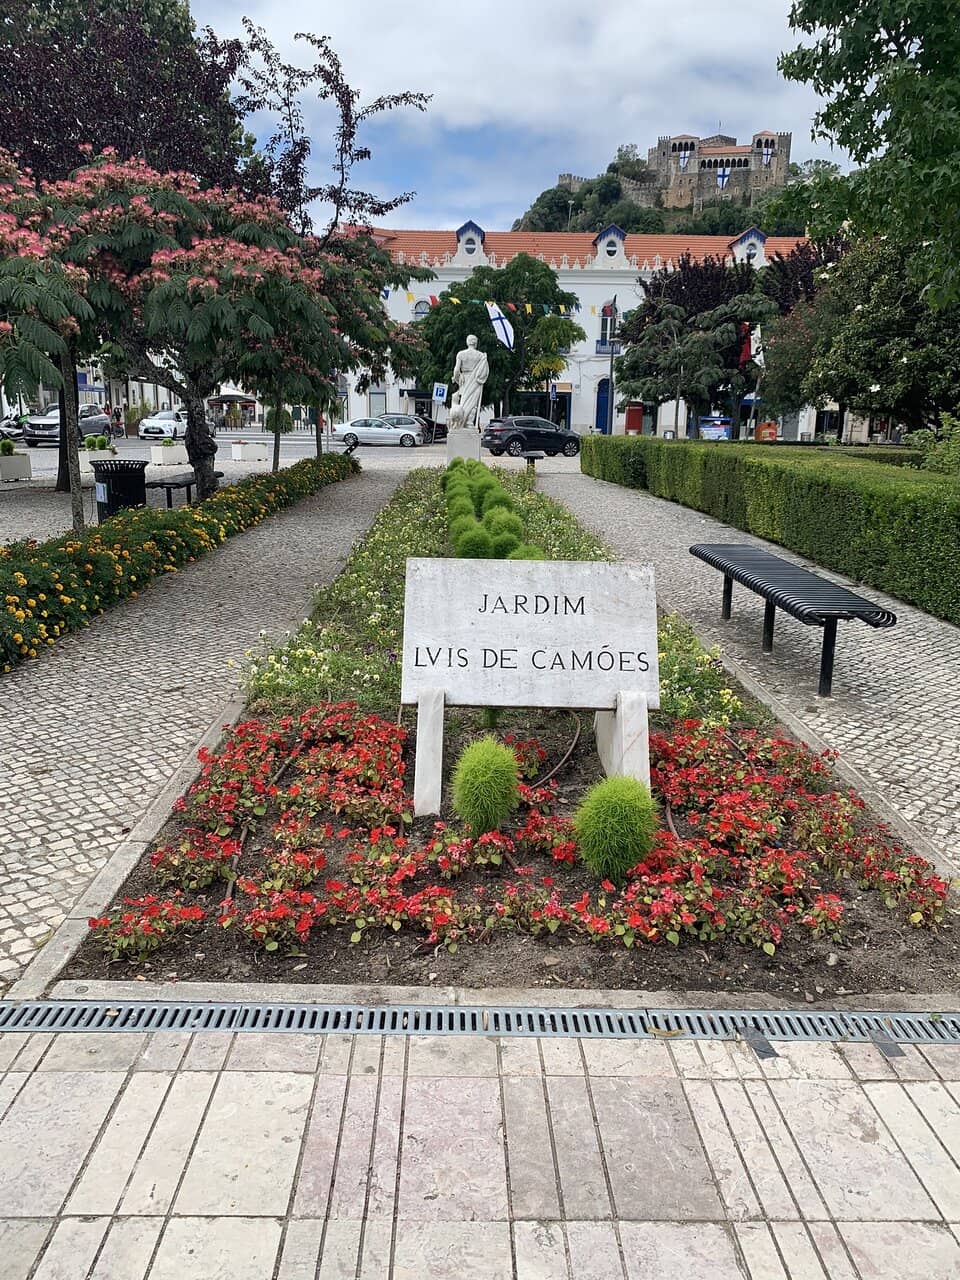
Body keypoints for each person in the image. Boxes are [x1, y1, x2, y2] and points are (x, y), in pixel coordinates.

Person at [450, 335, 489, 430]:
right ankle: (469, 423)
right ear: (475, 343)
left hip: (465, 379)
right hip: (476, 380)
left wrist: (456, 378)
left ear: (467, 342)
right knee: (473, 403)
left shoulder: (461, 354)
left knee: (463, 401)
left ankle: (461, 421)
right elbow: (484, 370)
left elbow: (456, 369)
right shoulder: (480, 356)